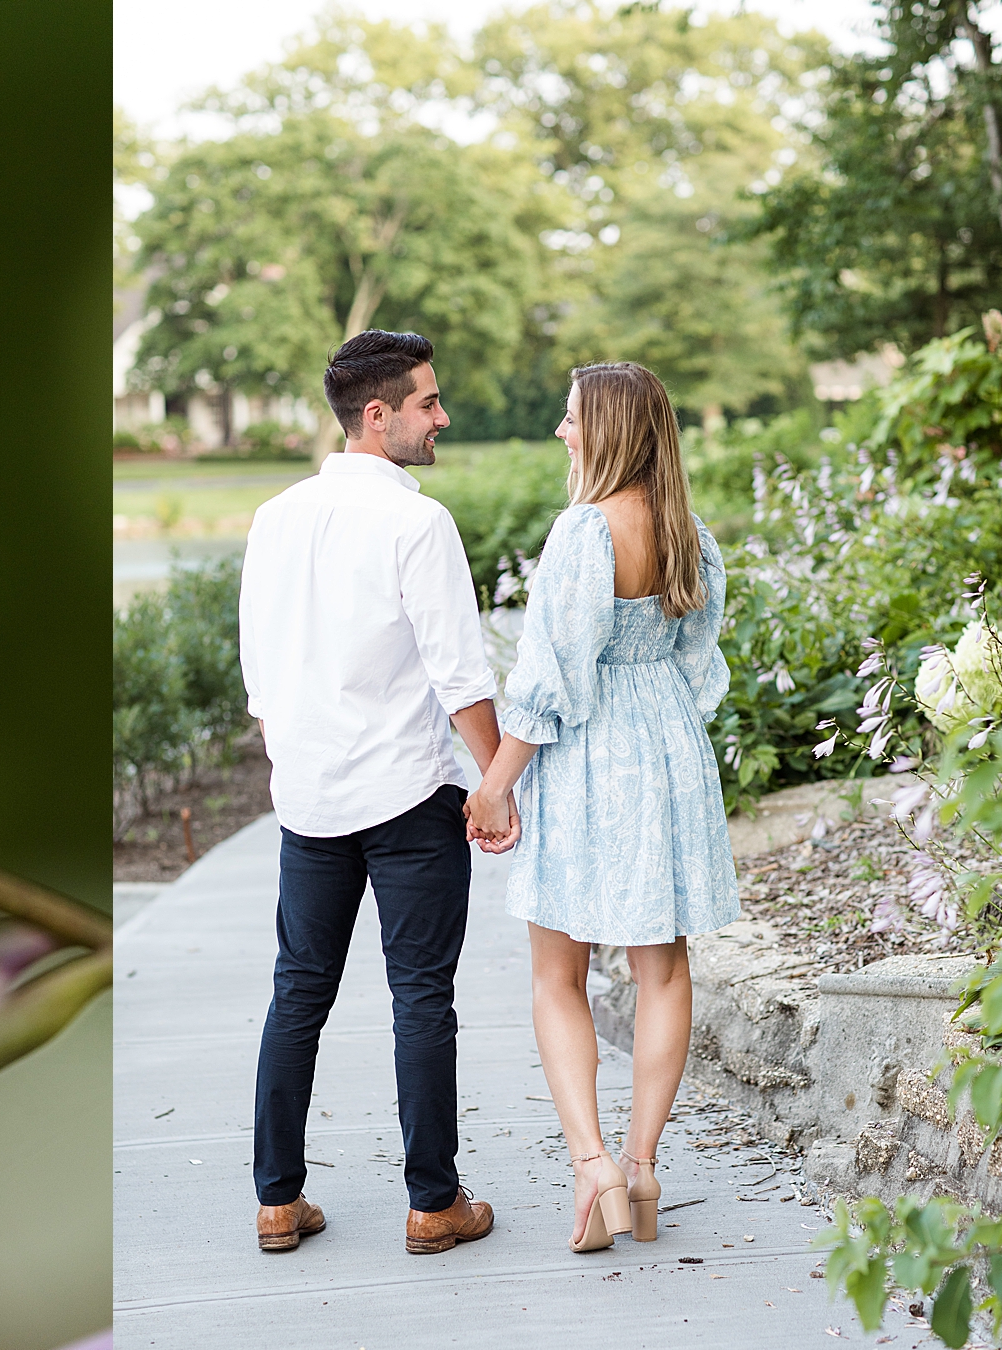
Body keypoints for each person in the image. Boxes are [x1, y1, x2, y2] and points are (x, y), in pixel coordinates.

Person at [239, 329, 513, 1257]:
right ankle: (434, 1205)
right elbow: (460, 676)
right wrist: (496, 787)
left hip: (309, 804)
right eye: (429, 403)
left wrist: (303, 765)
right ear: (377, 414)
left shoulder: (274, 517)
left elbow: (261, 685)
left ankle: (278, 1200)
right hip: (406, 799)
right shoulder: (415, 522)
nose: (443, 418)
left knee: (297, 995)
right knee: (422, 998)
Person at [465, 362, 739, 1253]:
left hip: (589, 757)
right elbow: (698, 666)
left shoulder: (585, 532)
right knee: (663, 970)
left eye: (571, 416)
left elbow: (549, 680)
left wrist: (496, 781)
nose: (560, 431)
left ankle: (594, 1167)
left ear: (609, 428)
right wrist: (658, 731)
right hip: (666, 750)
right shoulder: (689, 534)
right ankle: (645, 1165)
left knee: (559, 974)